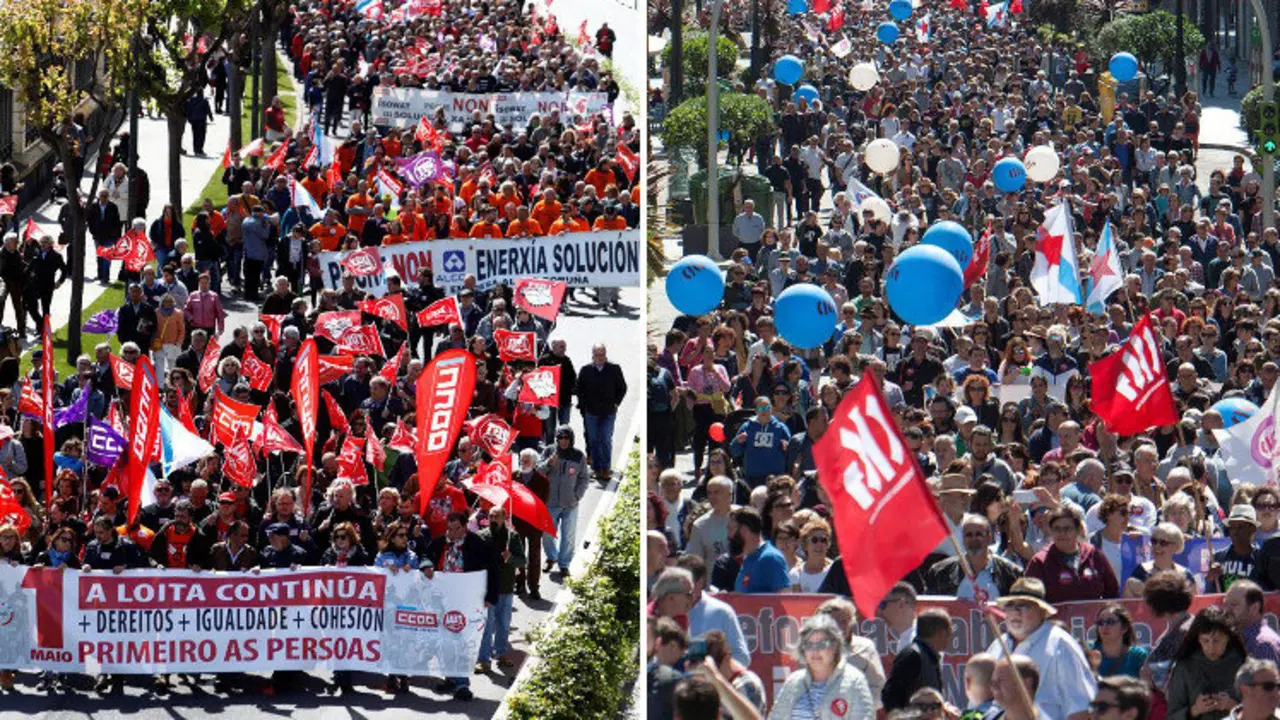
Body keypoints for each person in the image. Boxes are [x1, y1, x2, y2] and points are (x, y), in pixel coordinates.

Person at [987, 577, 1097, 719]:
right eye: (1010, 605)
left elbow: (1081, 708)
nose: (1015, 611)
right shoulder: (998, 645)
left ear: (1042, 611)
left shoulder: (1061, 645)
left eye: (1024, 605)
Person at [420, 511, 499, 702]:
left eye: (457, 529)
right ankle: (450, 678)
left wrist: (491, 596)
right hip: (442, 599)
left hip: (467, 598)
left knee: (462, 640)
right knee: (444, 640)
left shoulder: (477, 544)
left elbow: (494, 569)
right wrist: (427, 565)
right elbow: (425, 556)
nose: (452, 533)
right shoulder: (440, 542)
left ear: (465, 527)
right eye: (450, 528)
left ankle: (462, 683)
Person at [769, 614, 874, 719]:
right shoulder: (793, 681)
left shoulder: (855, 681)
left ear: (835, 646)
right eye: (808, 645)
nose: (815, 651)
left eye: (822, 645)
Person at [1166, 606, 1247, 720]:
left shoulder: (1244, 667)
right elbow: (1171, 717)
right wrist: (1195, 710)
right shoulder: (1184, 668)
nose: (1211, 647)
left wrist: (1232, 705)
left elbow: (1262, 712)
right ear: (1198, 639)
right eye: (1206, 640)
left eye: (1217, 640)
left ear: (1228, 638)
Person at [476, 505, 524, 673]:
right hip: (487, 588)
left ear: (504, 517)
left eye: (497, 516)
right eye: (491, 516)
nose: (493, 519)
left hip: (505, 587)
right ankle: (483, 659)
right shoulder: (481, 537)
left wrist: (510, 558)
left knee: (503, 624)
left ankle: (501, 654)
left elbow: (522, 562)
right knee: (487, 626)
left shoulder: (513, 537)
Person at [540, 426, 589, 578]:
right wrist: (549, 463)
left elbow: (584, 478)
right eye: (560, 438)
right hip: (550, 502)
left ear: (571, 439)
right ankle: (551, 557)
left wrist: (577, 495)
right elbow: (538, 471)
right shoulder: (549, 451)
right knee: (548, 534)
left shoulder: (578, 456)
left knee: (568, 536)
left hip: (570, 504)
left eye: (566, 438)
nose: (563, 441)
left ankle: (564, 564)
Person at [576, 343, 627, 482]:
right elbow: (579, 389)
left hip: (608, 411)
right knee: (593, 440)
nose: (600, 357)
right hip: (591, 412)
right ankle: (596, 467)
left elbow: (622, 387)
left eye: (602, 354)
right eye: (597, 355)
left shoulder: (614, 369)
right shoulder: (586, 370)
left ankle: (605, 467)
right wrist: (584, 406)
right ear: (593, 355)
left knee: (605, 439)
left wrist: (616, 403)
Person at [883, 608, 952, 710]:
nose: (951, 637)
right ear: (941, 633)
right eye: (949, 632)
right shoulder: (913, 655)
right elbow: (891, 695)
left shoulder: (928, 656)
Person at [729, 506, 790, 593]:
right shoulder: (748, 559)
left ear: (744, 530)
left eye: (731, 529)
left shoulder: (771, 558)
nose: (728, 535)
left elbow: (784, 598)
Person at [1222, 581, 1280, 665]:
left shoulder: (1262, 646)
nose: (1226, 610)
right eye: (1225, 604)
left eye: (1233, 605)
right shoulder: (1241, 639)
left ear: (1254, 608)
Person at [1094, 604, 1151, 679]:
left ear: (1124, 628)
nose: (1104, 626)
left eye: (1110, 622)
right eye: (1100, 622)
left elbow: (1147, 688)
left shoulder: (1138, 656)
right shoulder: (1088, 652)